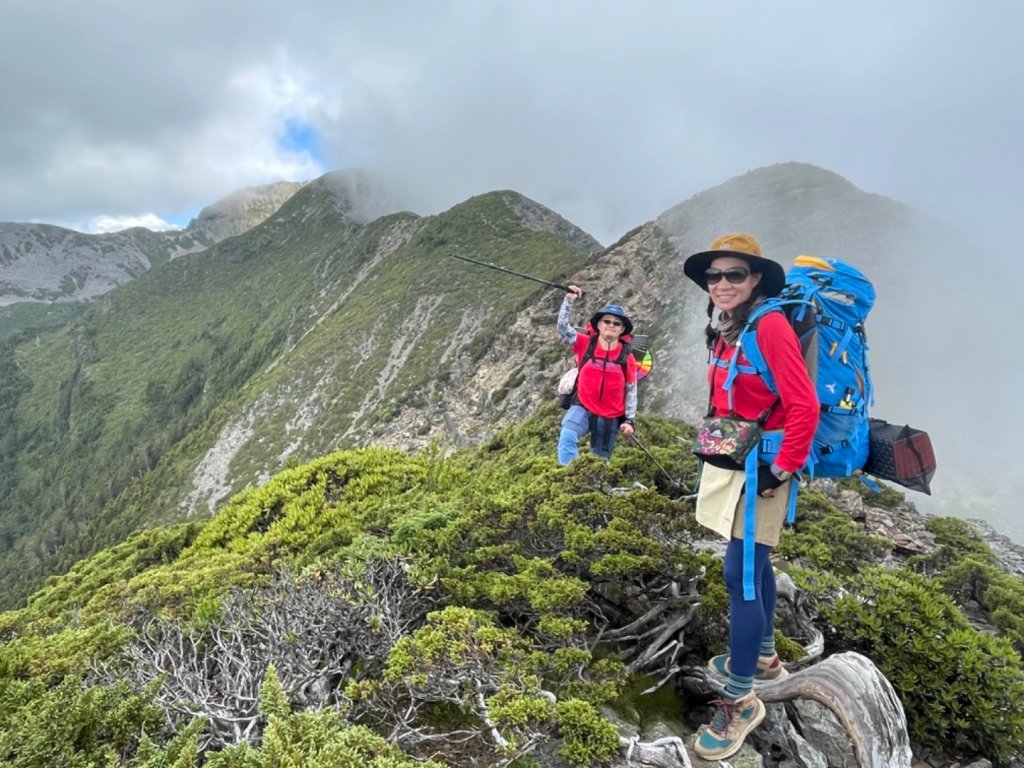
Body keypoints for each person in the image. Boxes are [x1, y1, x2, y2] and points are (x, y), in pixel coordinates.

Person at [682, 233, 818, 761]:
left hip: (764, 466)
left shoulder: (771, 327)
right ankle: (763, 657)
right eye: (714, 276)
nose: (721, 284)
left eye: (733, 274)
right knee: (751, 564)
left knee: (738, 573)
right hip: (737, 460)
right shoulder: (728, 329)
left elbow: (803, 404)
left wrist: (783, 469)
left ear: (756, 278)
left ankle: (741, 699)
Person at [555, 285, 638, 464]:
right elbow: (562, 327)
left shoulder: (627, 356)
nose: (611, 326)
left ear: (622, 329)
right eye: (607, 321)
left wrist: (629, 421)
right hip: (583, 406)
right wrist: (569, 300)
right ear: (599, 325)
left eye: (616, 323)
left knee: (600, 461)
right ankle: (568, 478)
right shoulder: (585, 343)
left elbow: (631, 390)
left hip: (610, 416)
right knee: (567, 435)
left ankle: (591, 487)